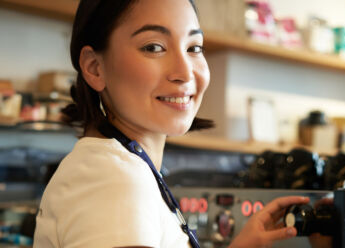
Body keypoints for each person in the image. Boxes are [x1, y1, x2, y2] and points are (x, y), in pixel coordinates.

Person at [33, 0, 309, 247]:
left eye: (194, 47)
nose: (184, 72)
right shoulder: (112, 179)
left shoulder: (118, 167)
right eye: (154, 47)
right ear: (95, 67)